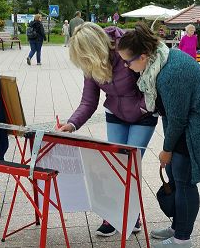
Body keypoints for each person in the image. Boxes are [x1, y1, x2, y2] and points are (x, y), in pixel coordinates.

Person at [117, 23, 200, 248]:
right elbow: (170, 113)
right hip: (189, 121)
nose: (125, 66)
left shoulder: (170, 73)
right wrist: (168, 148)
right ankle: (177, 226)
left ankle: (183, 238)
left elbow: (178, 118)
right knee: (174, 172)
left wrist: (167, 149)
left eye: (127, 61)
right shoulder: (158, 62)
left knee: (184, 179)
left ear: (143, 56)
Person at [56, 22, 158, 236]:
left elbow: (151, 84)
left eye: (85, 57)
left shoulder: (125, 49)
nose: (84, 63)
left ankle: (132, 216)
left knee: (130, 165)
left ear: (95, 49)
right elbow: (88, 101)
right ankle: (112, 216)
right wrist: (72, 124)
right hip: (115, 114)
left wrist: (142, 108)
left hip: (143, 115)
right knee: (115, 165)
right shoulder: (92, 64)